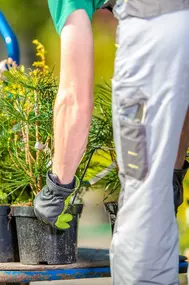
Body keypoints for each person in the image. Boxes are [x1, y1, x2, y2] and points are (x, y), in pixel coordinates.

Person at [34, 0, 189, 283]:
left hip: (154, 25)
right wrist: (172, 173)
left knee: (143, 209)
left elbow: (74, 98)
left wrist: (57, 186)